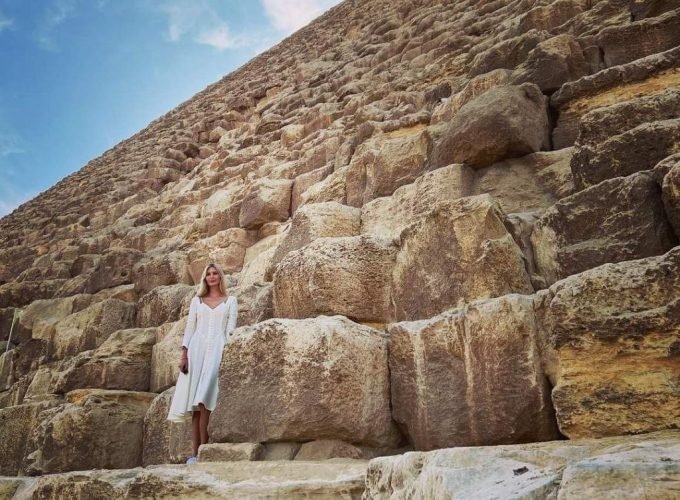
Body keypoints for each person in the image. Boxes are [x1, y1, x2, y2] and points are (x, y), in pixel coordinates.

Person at [167, 263, 238, 464]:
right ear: (204, 278)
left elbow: (230, 329)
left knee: (204, 401)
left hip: (218, 350)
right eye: (208, 274)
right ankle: (195, 453)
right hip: (196, 351)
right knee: (196, 407)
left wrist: (229, 353)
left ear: (221, 277)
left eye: (216, 273)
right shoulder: (197, 301)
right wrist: (184, 354)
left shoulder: (231, 300)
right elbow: (190, 329)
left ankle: (203, 452)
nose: (212, 276)